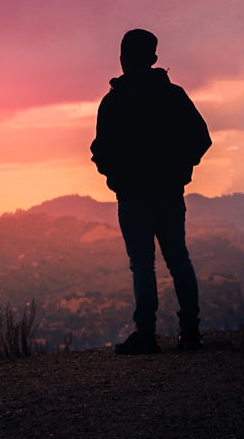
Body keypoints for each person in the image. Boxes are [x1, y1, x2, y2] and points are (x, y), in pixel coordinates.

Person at [90, 29, 212, 354]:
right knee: (178, 260)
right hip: (170, 193)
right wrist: (180, 169)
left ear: (123, 59)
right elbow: (202, 138)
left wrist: (116, 176)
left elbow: (100, 151)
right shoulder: (173, 96)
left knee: (143, 266)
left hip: (132, 198)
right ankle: (191, 333)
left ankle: (146, 335)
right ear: (154, 59)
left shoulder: (114, 102)